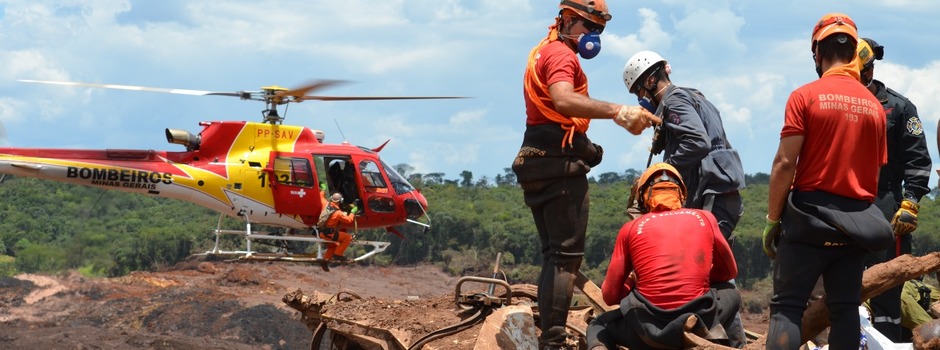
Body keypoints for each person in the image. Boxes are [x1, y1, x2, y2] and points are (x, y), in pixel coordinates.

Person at [511, 1, 659, 348]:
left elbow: (552, 114)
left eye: (598, 31)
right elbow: (562, 100)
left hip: (536, 158)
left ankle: (549, 336)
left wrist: (586, 145)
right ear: (566, 19)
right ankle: (553, 341)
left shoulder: (541, 52)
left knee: (553, 254)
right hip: (558, 167)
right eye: (589, 27)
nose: (593, 37)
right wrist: (620, 111)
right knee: (565, 257)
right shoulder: (562, 56)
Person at [763, 13, 893, 350]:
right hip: (854, 227)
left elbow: (784, 163)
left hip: (808, 220)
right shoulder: (876, 108)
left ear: (817, 54)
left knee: (787, 309)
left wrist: (773, 219)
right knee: (845, 309)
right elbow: (872, 176)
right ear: (853, 55)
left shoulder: (804, 96)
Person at [586, 163, 742, 349]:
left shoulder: (630, 229)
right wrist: (697, 278)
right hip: (698, 320)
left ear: (643, 198)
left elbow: (610, 296)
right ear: (681, 194)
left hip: (647, 333)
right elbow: (728, 272)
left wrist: (632, 281)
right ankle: (731, 344)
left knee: (598, 325)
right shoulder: (705, 218)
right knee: (731, 292)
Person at [621, 50, 746, 246]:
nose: (640, 99)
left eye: (638, 91)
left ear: (650, 81)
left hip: (712, 195)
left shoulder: (674, 102)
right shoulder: (692, 95)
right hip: (718, 193)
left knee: (702, 263)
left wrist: (662, 173)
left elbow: (698, 141)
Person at [854, 37, 934, 342]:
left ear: (869, 72)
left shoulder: (899, 108)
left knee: (887, 287)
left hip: (886, 202)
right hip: (842, 202)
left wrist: (910, 202)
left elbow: (918, 160)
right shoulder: (833, 102)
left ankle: (889, 341)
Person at [317, 193, 357, 272]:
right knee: (347, 237)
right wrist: (353, 212)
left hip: (321, 233)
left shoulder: (325, 204)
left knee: (333, 246)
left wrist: (323, 190)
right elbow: (349, 220)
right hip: (330, 235)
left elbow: (321, 197)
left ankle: (325, 261)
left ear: (331, 199)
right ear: (341, 201)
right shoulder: (338, 213)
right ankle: (338, 254)